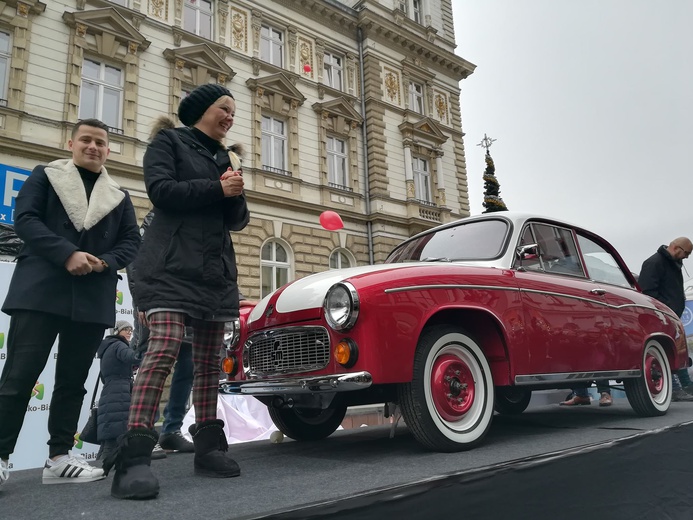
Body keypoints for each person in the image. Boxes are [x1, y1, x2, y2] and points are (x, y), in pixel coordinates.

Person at [104, 84, 249, 500]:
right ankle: (133, 456)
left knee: (207, 361)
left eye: (233, 112)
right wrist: (217, 189)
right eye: (225, 108)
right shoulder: (168, 142)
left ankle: (208, 446)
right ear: (203, 109)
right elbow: (162, 192)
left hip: (214, 270)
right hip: (168, 265)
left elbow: (236, 219)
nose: (230, 117)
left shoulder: (227, 157)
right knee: (164, 345)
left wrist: (234, 193)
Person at [0, 118, 140, 487]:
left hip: (92, 293)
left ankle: (59, 458)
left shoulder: (119, 195)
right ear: (71, 143)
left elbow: (131, 241)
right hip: (41, 289)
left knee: (73, 383)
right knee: (18, 376)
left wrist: (105, 262)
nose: (93, 147)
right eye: (86, 140)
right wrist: (67, 253)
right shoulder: (45, 177)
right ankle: (0, 456)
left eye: (100, 142)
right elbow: (26, 219)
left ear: (108, 150)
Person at [126, 209, 194, 457]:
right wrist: (142, 301)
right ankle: (145, 434)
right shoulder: (156, 218)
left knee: (187, 366)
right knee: (152, 364)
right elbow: (137, 263)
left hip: (188, 304)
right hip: (156, 303)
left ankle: (171, 431)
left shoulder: (194, 220)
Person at [639, 237, 693, 402]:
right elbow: (647, 292)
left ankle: (686, 386)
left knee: (679, 350)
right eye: (687, 253)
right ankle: (676, 388)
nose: (687, 257)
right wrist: (663, 311)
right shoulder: (654, 263)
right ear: (676, 248)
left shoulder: (673, 264)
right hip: (661, 317)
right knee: (668, 351)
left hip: (672, 315)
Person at [96, 320, 139, 464]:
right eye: (125, 329)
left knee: (108, 442)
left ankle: (100, 467)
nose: (129, 332)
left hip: (109, 392)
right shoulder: (119, 344)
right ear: (117, 331)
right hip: (120, 393)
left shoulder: (107, 347)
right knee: (116, 434)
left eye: (131, 330)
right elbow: (132, 357)